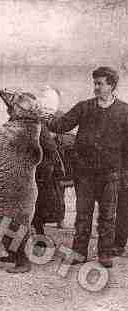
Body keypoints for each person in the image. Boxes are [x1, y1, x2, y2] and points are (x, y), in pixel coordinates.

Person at [45, 66, 128, 268]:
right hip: (85, 173)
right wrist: (43, 115)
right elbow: (61, 125)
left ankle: (104, 254)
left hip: (111, 173)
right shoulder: (84, 107)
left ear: (112, 85)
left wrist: (124, 172)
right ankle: (78, 252)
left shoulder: (125, 111)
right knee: (83, 215)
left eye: (100, 84)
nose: (96, 87)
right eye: (95, 83)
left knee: (108, 215)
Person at [31, 124, 66, 235]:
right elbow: (51, 148)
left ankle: (38, 230)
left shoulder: (34, 126)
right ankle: (39, 230)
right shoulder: (39, 126)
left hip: (38, 171)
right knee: (41, 201)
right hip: (41, 172)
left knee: (38, 202)